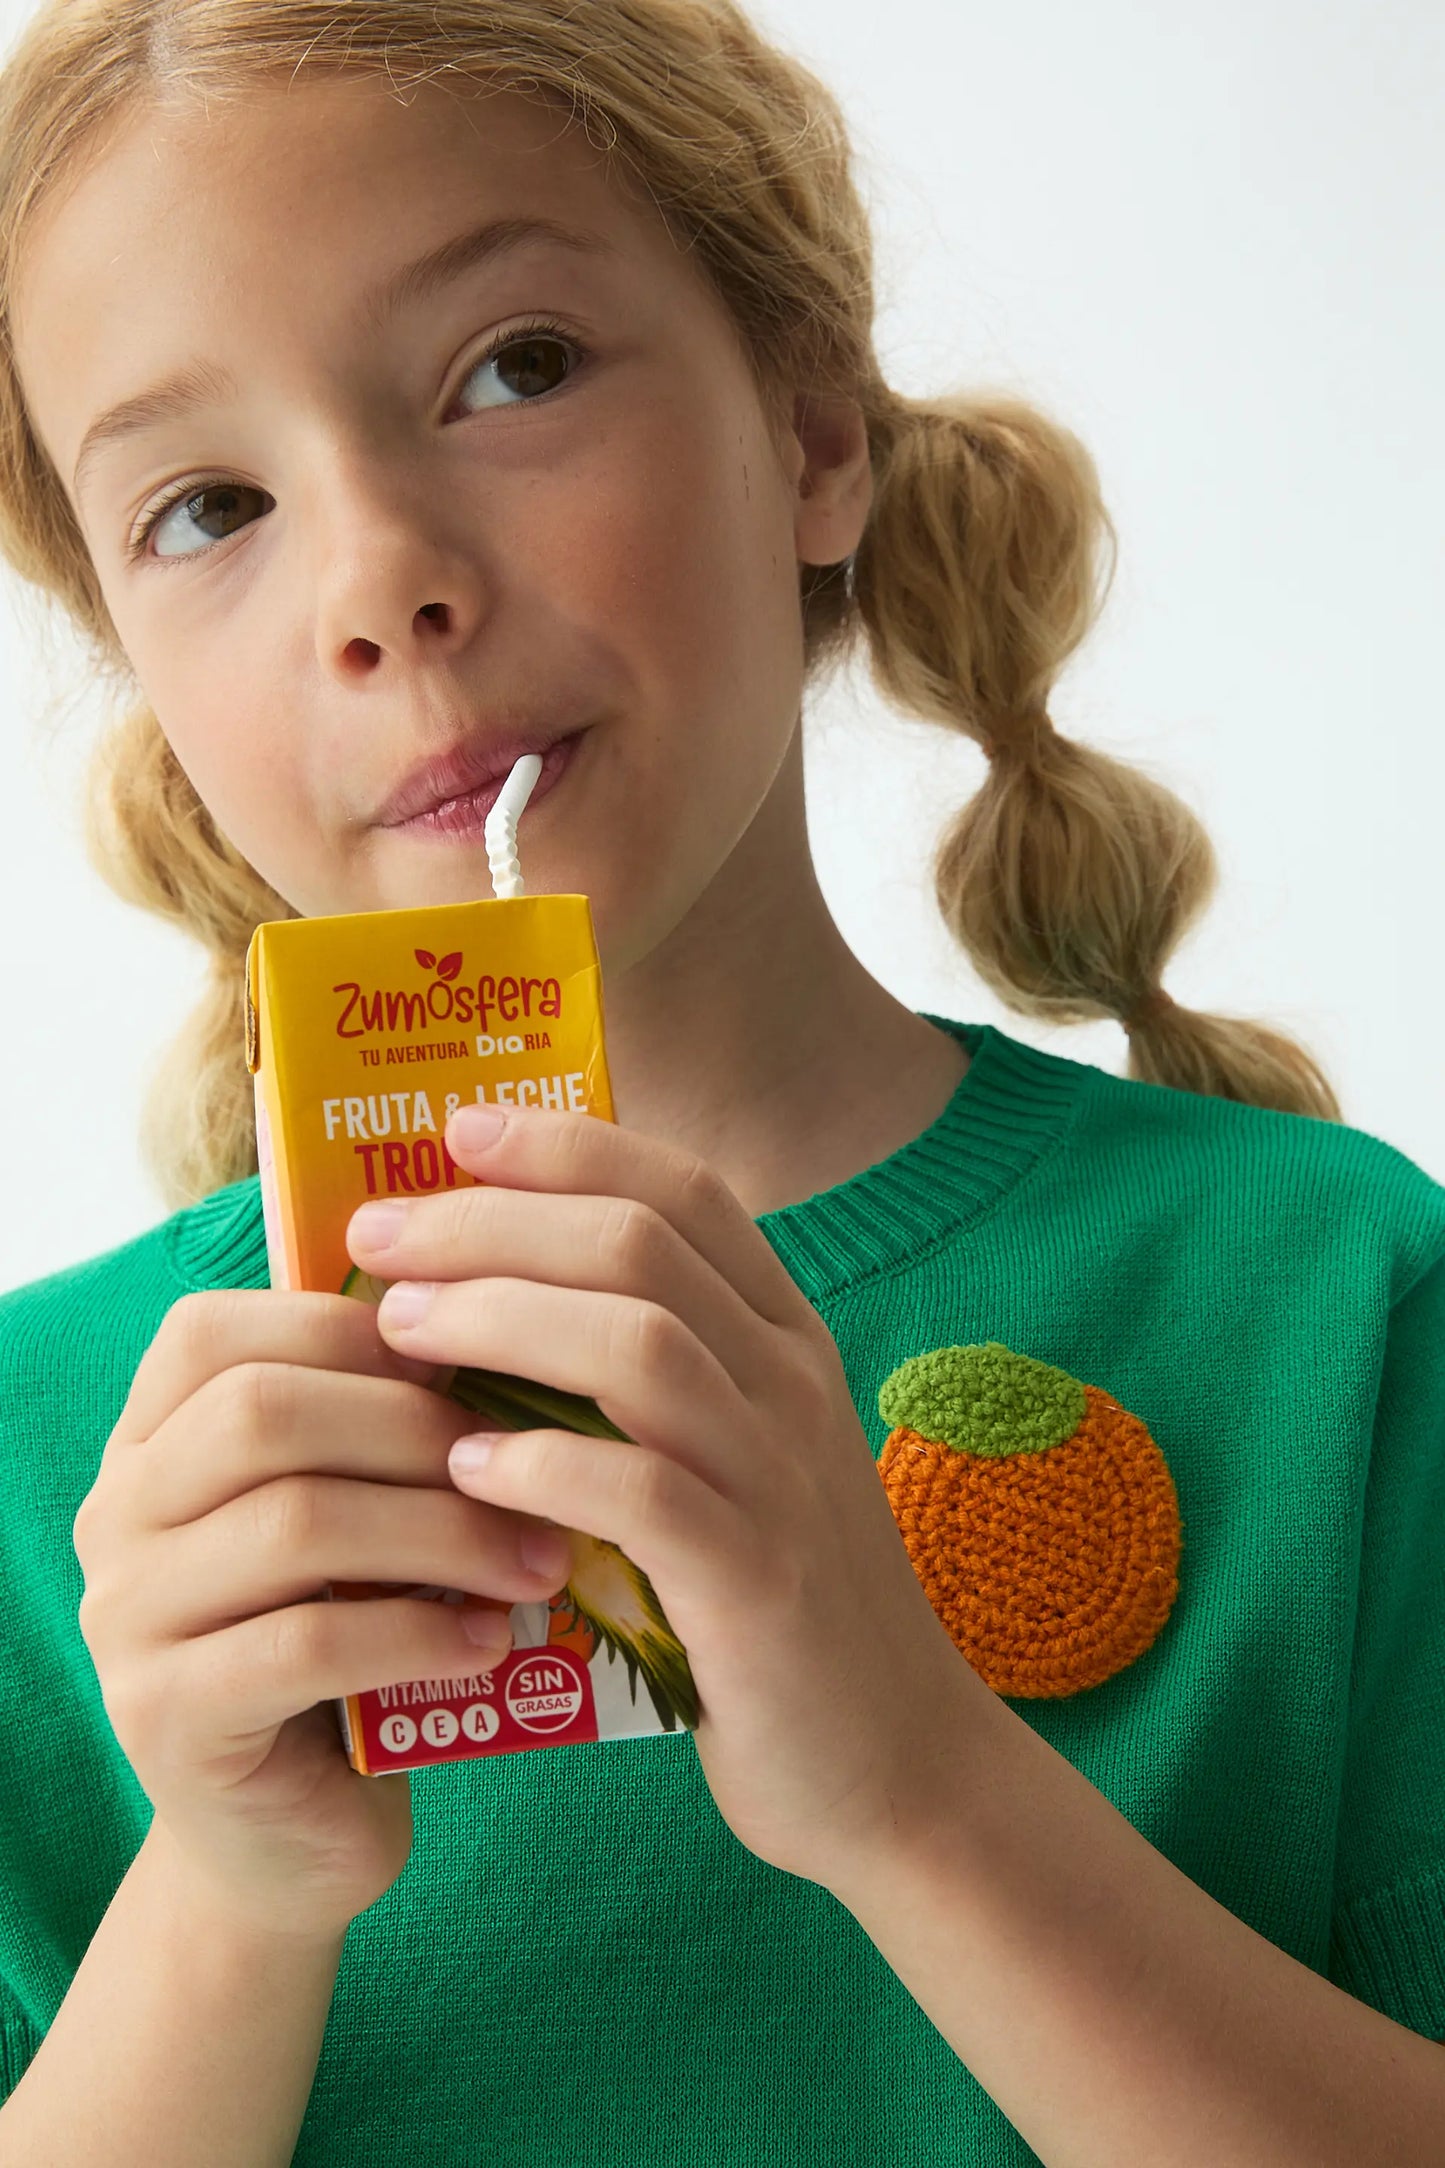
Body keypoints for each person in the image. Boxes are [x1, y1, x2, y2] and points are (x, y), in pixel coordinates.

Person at [0, 2, 1441, 2163]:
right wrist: (224, 1898)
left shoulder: (1338, 1303)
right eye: (211, 504)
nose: (380, 572)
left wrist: (917, 1791)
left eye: (516, 367)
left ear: (814, 422)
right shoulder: (57, 1481)